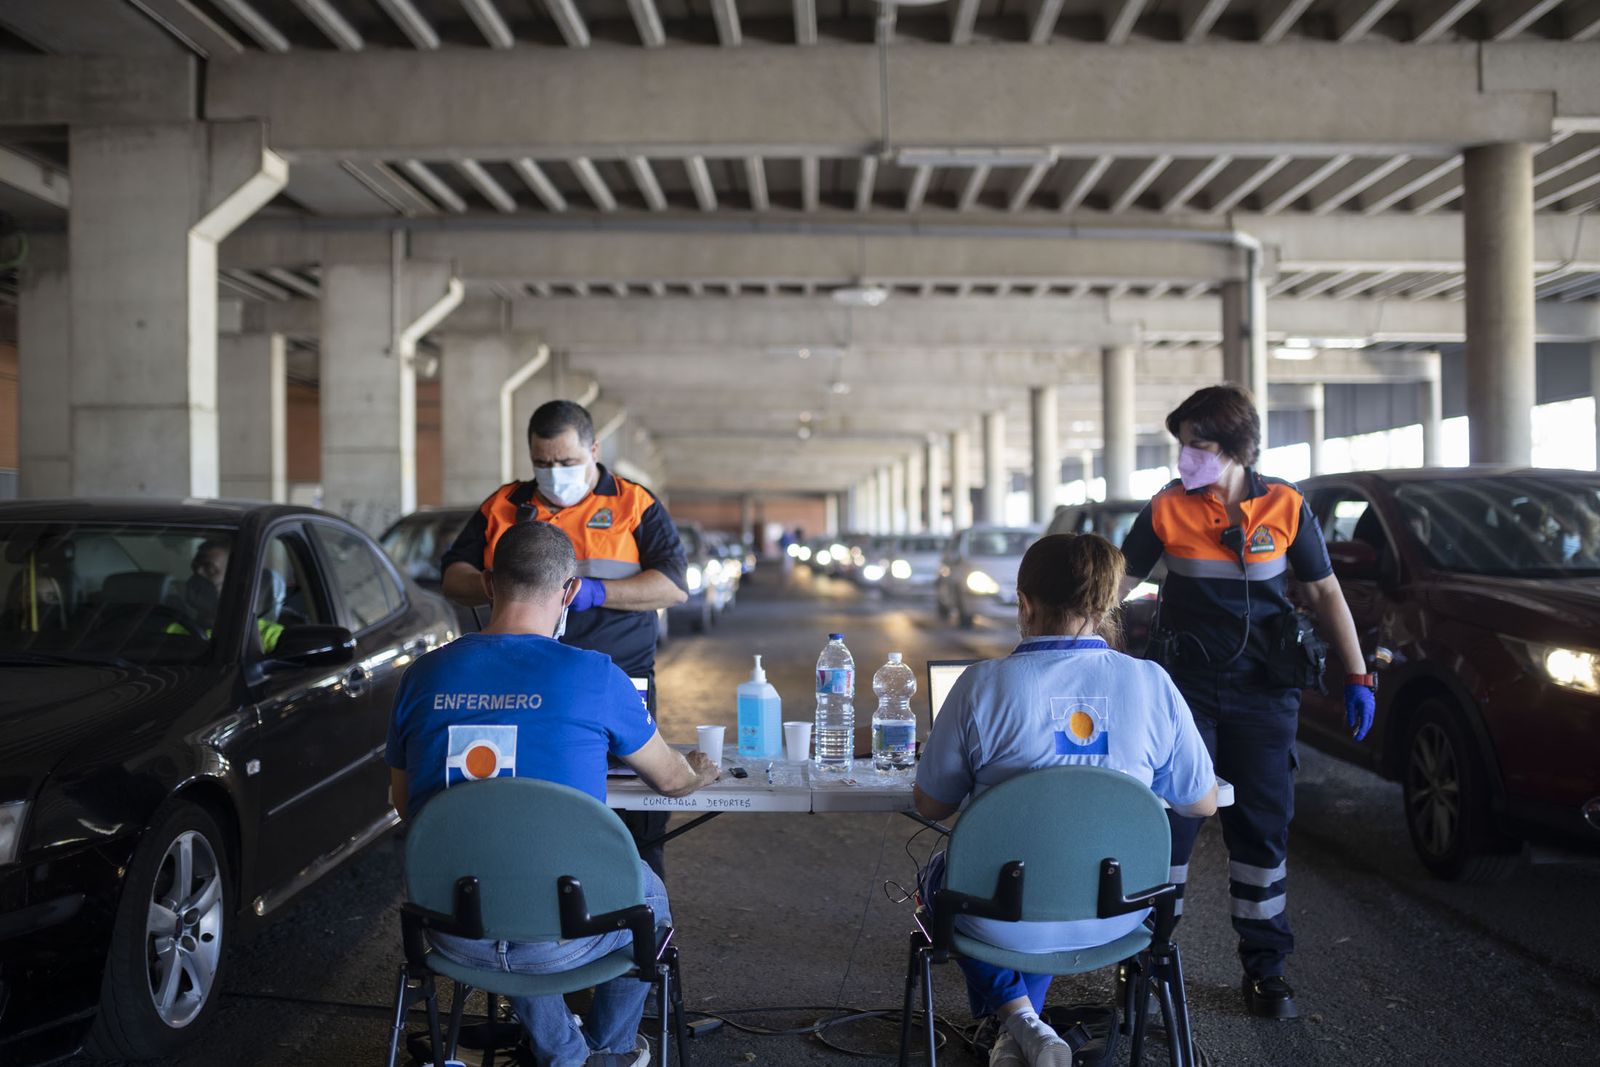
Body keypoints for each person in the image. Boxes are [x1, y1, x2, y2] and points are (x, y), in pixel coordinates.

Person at [387, 521, 720, 1067]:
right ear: (569, 592)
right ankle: (608, 1050)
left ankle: (562, 1052)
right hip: (562, 935)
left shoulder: (422, 676)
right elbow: (670, 780)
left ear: (490, 584)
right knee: (644, 891)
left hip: (449, 926)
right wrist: (699, 769)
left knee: (506, 882)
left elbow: (407, 806)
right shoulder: (595, 674)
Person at [914, 533, 1217, 1067]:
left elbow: (932, 806)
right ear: (1105, 606)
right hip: (1120, 914)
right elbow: (1200, 803)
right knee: (1049, 868)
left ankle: (1018, 1020)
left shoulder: (980, 686)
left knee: (949, 878)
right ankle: (1020, 1027)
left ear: (1025, 604)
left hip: (1001, 919)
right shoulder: (1153, 683)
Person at [1119, 384, 1372, 1020]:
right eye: (1181, 446)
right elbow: (1110, 589)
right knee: (1169, 823)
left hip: (1266, 693)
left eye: (1198, 447)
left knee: (1260, 829)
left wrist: (1358, 675)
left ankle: (1265, 970)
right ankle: (1145, 964)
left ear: (1234, 449)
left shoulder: (1285, 506)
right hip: (1183, 693)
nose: (1185, 459)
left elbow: (1325, 594)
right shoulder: (1164, 510)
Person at [440, 399, 688, 877]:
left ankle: (636, 909)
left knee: (632, 810)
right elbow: (453, 577)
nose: (554, 473)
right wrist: (505, 583)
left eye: (567, 462)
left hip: (618, 678)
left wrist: (599, 592)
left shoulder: (634, 505)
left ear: (594, 449)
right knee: (532, 797)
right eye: (543, 463)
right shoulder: (505, 506)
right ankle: (530, 897)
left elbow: (674, 586)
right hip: (521, 678)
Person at [172, 539, 284, 653]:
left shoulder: (271, 637)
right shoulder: (175, 629)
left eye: (210, 569)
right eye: (195, 567)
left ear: (237, 581)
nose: (198, 572)